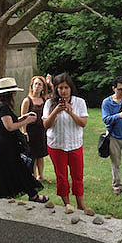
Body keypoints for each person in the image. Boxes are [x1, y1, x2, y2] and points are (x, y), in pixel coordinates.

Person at [0, 77, 48, 202]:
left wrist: (22, 117)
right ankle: (32, 195)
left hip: (1, 143)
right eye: (13, 92)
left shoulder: (1, 105)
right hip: (3, 144)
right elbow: (9, 127)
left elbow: (9, 121)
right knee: (18, 168)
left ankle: (28, 194)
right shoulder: (3, 107)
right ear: (9, 93)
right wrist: (27, 121)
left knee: (10, 168)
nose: (15, 94)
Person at [43, 73, 88, 211]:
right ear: (56, 89)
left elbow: (83, 123)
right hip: (57, 145)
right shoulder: (50, 103)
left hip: (75, 145)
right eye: (60, 88)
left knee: (78, 176)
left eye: (66, 87)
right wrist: (56, 111)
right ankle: (67, 203)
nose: (63, 91)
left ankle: (80, 204)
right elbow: (46, 125)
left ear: (70, 88)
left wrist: (71, 112)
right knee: (61, 176)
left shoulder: (79, 102)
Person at [21, 76, 49, 182]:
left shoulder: (44, 100)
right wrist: (24, 132)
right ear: (32, 86)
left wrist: (50, 83)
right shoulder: (27, 101)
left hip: (42, 132)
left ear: (43, 88)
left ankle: (41, 176)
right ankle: (33, 176)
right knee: (32, 155)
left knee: (40, 155)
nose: (37, 86)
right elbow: (23, 117)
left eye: (40, 84)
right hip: (31, 132)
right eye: (35, 84)